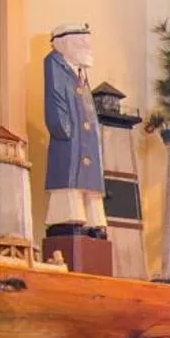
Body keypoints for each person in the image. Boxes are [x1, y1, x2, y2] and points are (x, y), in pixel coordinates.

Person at [43, 24, 105, 236]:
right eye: (81, 42)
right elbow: (56, 101)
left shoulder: (80, 74)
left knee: (89, 184)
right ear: (63, 44)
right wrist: (64, 130)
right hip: (71, 141)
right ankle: (68, 217)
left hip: (85, 140)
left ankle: (94, 221)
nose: (87, 47)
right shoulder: (55, 65)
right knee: (69, 182)